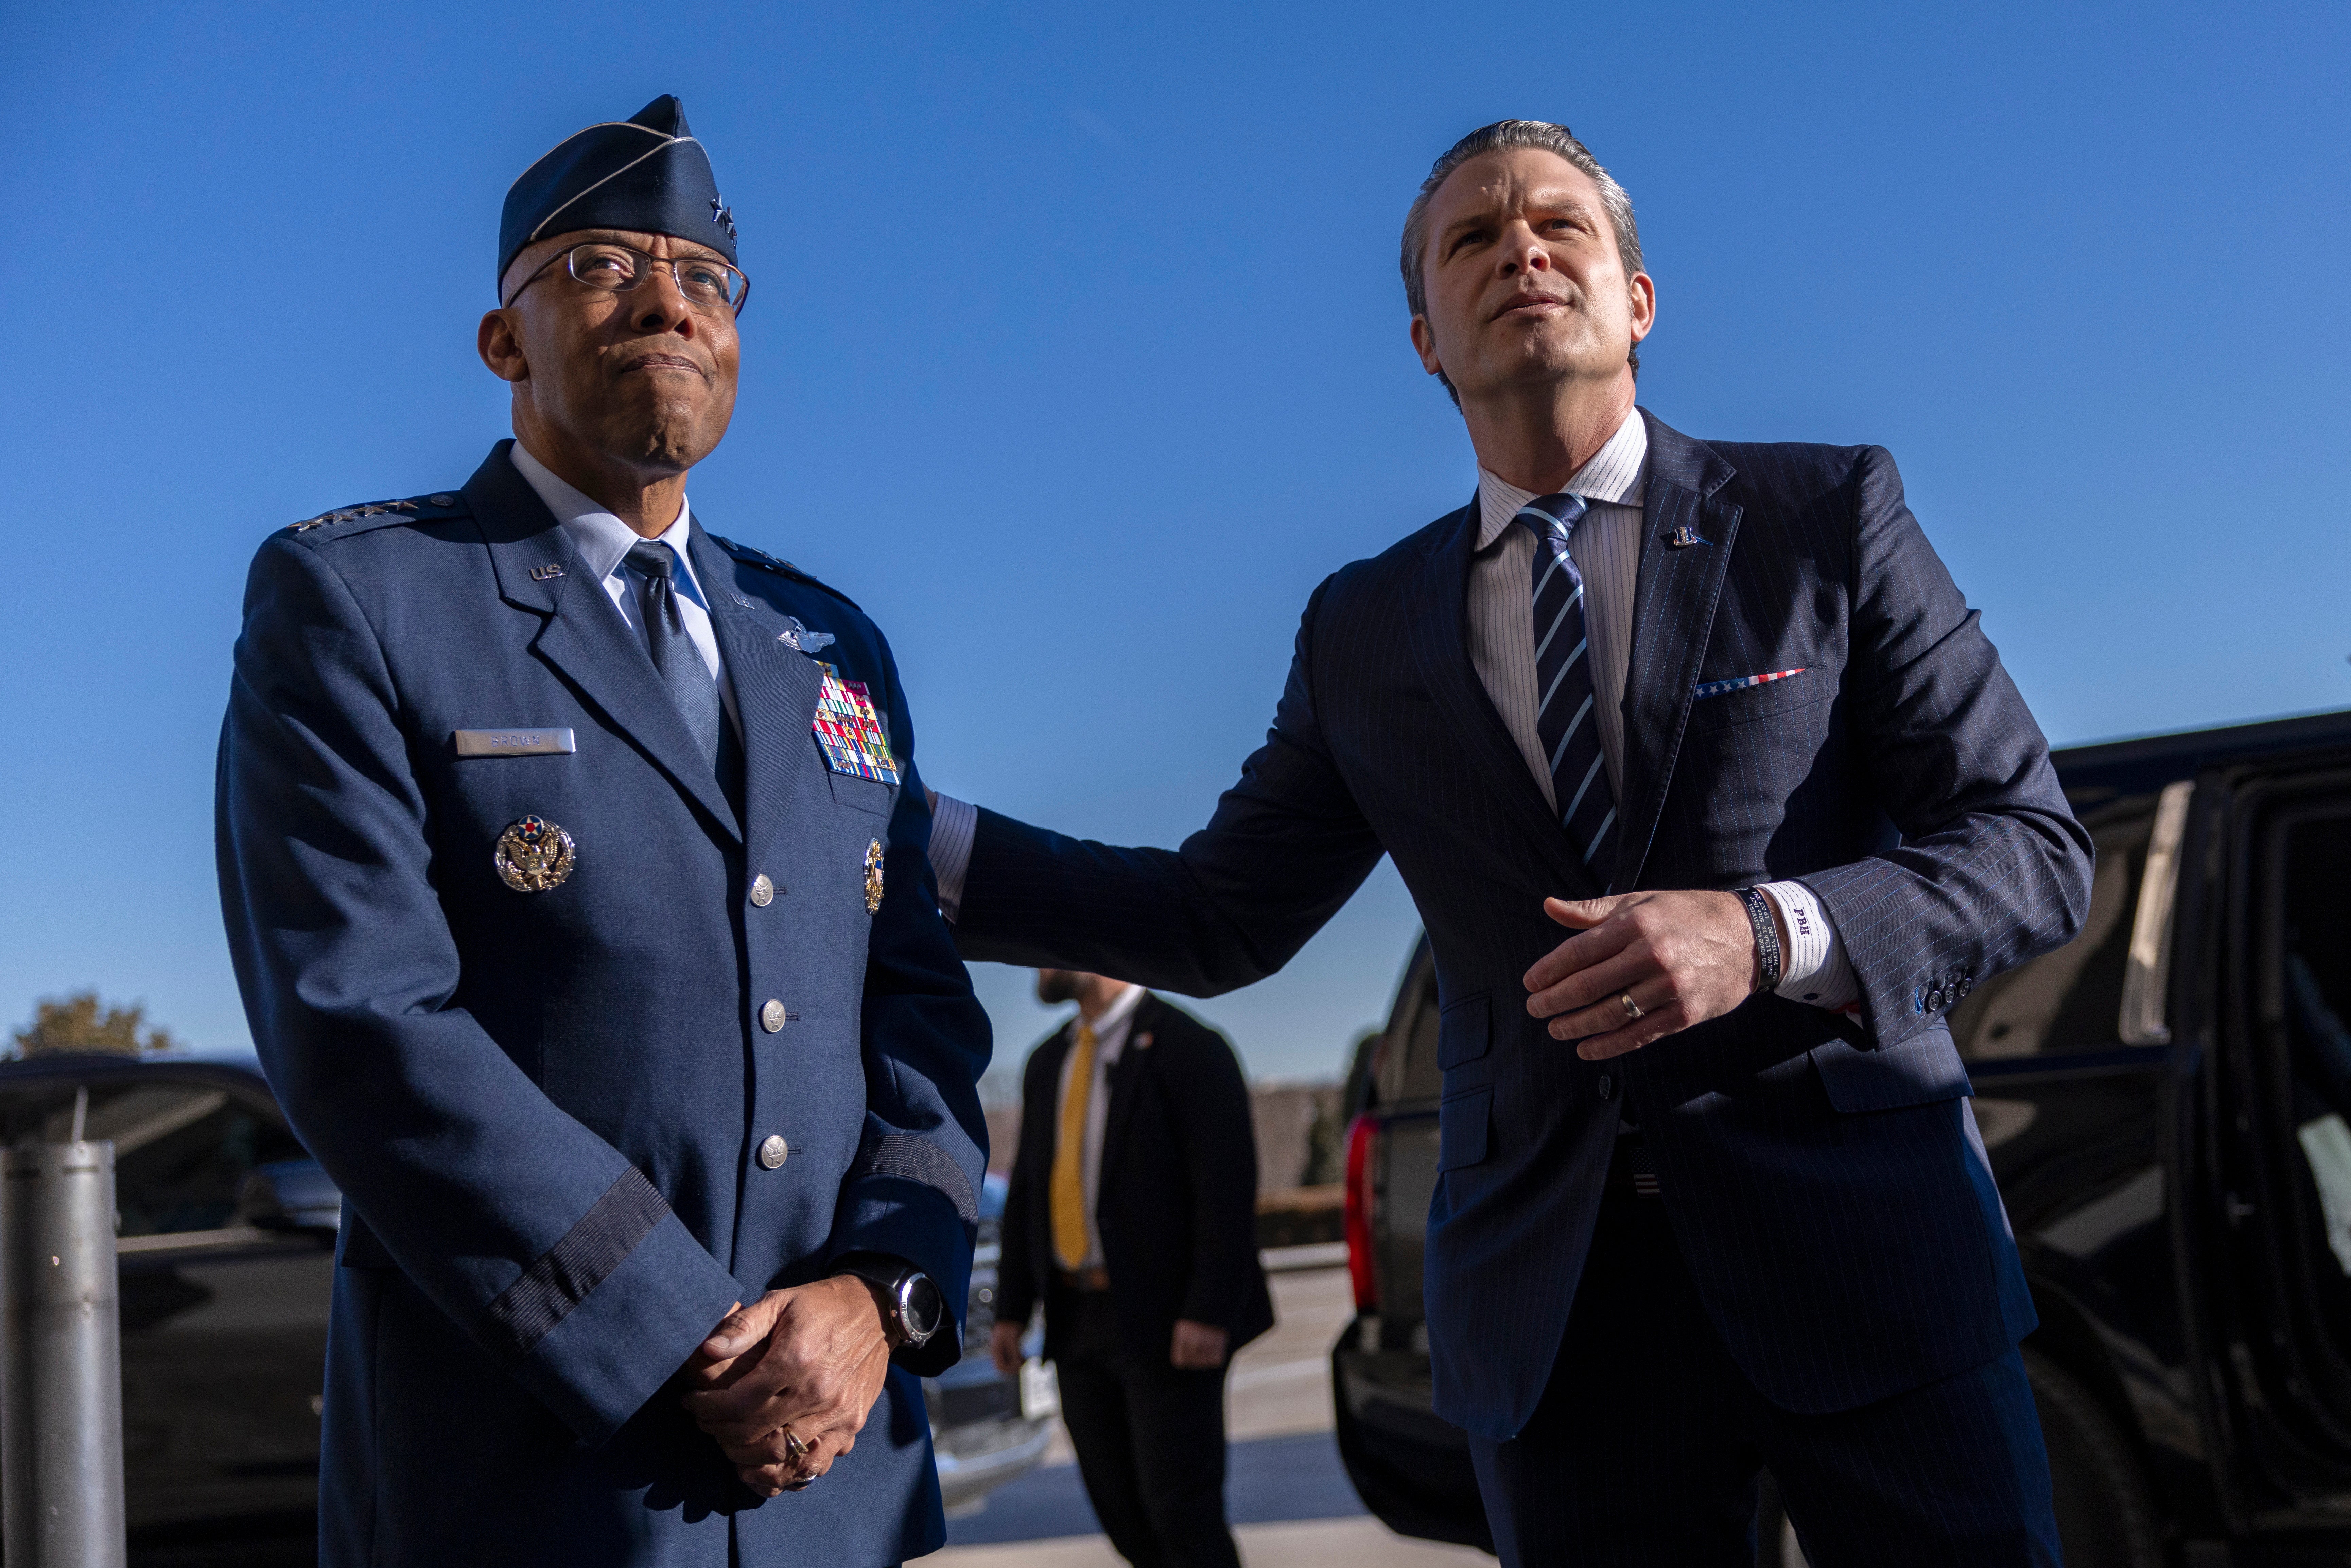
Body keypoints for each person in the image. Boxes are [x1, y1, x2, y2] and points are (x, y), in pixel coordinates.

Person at [925, 119, 2094, 1566]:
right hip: (1557, 1312)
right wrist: (906, 839)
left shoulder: (1824, 514)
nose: (1519, 251)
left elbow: (2030, 845)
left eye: (1556, 224)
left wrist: (1762, 932)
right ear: (1424, 339)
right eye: (1471, 238)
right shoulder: (1361, 627)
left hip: (1865, 1259)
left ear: (1637, 300)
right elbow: (1213, 918)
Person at [214, 95, 990, 1567]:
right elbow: (360, 1020)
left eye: (705, 278)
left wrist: (879, 1290)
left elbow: (920, 1012)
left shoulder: (829, 643)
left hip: (839, 1489)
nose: (666, 304)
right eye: (599, 266)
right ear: (501, 340)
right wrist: (680, 1333)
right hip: (530, 1479)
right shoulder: (365, 602)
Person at [987, 970, 1273, 1568]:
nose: (1037, 961)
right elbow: (1029, 1191)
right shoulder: (1047, 1061)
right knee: (1122, 1515)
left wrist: (1208, 1310)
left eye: (1052, 943)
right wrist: (1011, 1309)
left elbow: (1226, 1189)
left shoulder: (1189, 1048)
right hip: (1076, 1320)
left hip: (1168, 1325)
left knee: (1183, 1516)